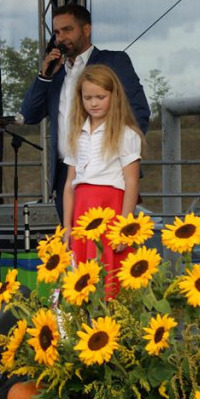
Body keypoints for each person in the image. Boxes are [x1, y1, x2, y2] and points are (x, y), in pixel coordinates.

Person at [21, 4, 150, 220]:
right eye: (56, 32)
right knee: (73, 245)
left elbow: (139, 112)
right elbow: (29, 115)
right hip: (68, 172)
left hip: (108, 172)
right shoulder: (57, 73)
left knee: (107, 243)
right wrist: (44, 76)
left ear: (86, 30)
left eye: (67, 30)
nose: (60, 38)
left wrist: (112, 151)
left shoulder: (113, 61)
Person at [61, 65, 144, 298]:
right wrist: (67, 226)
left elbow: (131, 182)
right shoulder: (76, 134)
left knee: (109, 272)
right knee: (82, 275)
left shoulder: (126, 134)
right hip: (81, 208)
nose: (93, 103)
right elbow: (69, 184)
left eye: (100, 97)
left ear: (113, 96)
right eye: (87, 98)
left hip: (111, 208)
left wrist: (124, 228)